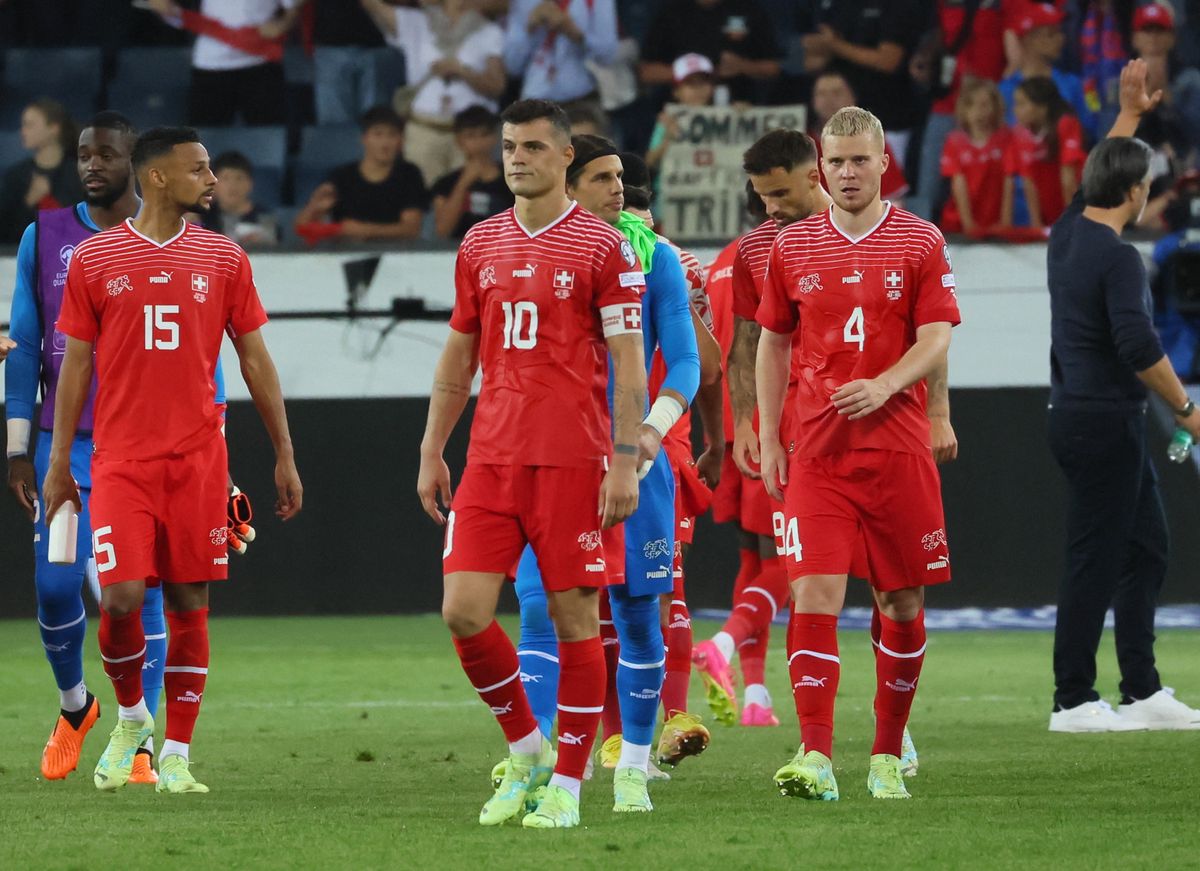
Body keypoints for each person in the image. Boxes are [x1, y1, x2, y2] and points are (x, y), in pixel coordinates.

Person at [41, 125, 303, 795]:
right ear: (158, 178)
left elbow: (254, 359)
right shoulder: (96, 259)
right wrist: (58, 460)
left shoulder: (224, 258)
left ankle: (178, 752)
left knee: (190, 602)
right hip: (121, 460)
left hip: (198, 460)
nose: (212, 180)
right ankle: (132, 716)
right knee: (124, 597)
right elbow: (75, 366)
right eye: (199, 169)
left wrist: (283, 452)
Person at [416, 99, 647, 829]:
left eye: (533, 147)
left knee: (577, 617)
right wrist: (432, 447)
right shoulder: (479, 244)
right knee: (463, 610)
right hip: (490, 458)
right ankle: (528, 747)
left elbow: (630, 367)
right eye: (510, 146)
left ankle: (569, 788)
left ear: (564, 157)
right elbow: (458, 355)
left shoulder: (605, 248)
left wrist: (625, 458)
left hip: (574, 462)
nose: (517, 157)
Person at [757, 105, 961, 801]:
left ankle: (883, 751)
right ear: (821, 166)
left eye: (858, 160)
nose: (846, 172)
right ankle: (814, 753)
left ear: (882, 164)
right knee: (812, 591)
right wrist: (767, 429)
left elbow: (936, 337)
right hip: (817, 450)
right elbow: (773, 340)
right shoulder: (792, 246)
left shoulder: (920, 241)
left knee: (900, 601)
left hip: (897, 449)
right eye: (835, 161)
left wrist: (892, 386)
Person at [508, 139, 700, 812]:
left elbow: (683, 363)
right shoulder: (527, 254)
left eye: (622, 177)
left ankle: (633, 767)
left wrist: (651, 429)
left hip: (635, 463)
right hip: (549, 462)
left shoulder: (658, 258)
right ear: (568, 180)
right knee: (540, 608)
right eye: (602, 177)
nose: (619, 188)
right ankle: (534, 762)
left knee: (638, 615)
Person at [1046, 59, 1200, 733]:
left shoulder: (1068, 235)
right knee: (1096, 559)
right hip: (1105, 421)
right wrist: (1190, 410)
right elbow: (1139, 349)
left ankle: (1141, 689)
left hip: (1089, 418)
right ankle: (1073, 699)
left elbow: (1098, 174)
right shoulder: (1117, 257)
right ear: (1137, 193)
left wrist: (1130, 116)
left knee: (1145, 548)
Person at [691, 129, 831, 728]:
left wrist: (730, 426)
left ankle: (755, 695)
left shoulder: (727, 259)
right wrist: (755, 421)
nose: (773, 206)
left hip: (739, 422)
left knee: (758, 559)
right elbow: (749, 344)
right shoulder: (760, 254)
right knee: (797, 564)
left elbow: (720, 350)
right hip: (784, 421)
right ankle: (722, 644)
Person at [362, 0, 506, 188]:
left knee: (467, 200)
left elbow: (497, 87)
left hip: (470, 136)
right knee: (419, 195)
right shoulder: (416, 23)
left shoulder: (489, 31)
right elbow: (373, 5)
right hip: (424, 131)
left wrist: (462, 71)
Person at [143, 0, 301, 126]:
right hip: (211, 64)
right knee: (204, 143)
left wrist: (283, 23)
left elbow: (294, 7)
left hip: (260, 61)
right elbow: (163, 6)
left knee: (268, 136)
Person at [295, 106, 427, 242]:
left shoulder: (409, 174)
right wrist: (314, 207)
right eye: (378, 134)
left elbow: (411, 229)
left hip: (398, 255)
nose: (385, 143)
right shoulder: (342, 176)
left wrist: (365, 230)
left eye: (392, 135)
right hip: (346, 254)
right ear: (364, 138)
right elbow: (302, 228)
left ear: (401, 141)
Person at [998, 3, 1097, 141]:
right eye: (1051, 34)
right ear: (1028, 40)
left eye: (1060, 32)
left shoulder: (1077, 83)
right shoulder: (1003, 90)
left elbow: (1094, 122)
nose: (1061, 38)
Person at [809, 70, 909, 205]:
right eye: (821, 94)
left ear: (853, 97)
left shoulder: (871, 140)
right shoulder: (804, 143)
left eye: (836, 93)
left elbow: (894, 200)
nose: (829, 100)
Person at [1005, 76, 1087, 228]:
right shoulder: (1020, 135)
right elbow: (1029, 183)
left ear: (1042, 107)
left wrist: (1073, 223)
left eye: (1021, 104)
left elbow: (1068, 179)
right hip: (1050, 216)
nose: (1015, 110)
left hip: (1077, 209)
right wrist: (1037, 225)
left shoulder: (1066, 124)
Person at [503, 0, 618, 107]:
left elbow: (607, 56)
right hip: (534, 98)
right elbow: (513, 66)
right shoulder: (524, 2)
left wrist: (573, 31)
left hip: (579, 97)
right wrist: (529, 29)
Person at [0, 99, 84, 244]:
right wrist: (29, 201)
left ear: (53, 128)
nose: (23, 131)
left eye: (29, 125)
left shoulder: (79, 175)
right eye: (23, 125)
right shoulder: (15, 176)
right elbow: (6, 234)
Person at [940, 79, 1013, 236]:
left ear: (995, 108)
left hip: (995, 221)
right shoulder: (954, 142)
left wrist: (1005, 222)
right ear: (963, 110)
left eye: (985, 105)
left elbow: (1009, 180)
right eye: (972, 105)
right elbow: (958, 183)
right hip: (959, 223)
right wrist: (968, 224)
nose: (979, 112)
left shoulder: (1006, 139)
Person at [429, 106, 513, 240]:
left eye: (484, 134)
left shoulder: (513, 178)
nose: (479, 142)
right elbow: (443, 230)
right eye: (471, 136)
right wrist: (463, 184)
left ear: (495, 137)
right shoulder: (445, 183)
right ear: (459, 140)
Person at [645, 53, 716, 176]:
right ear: (676, 91)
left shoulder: (724, 116)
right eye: (690, 84)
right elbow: (649, 162)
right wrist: (667, 139)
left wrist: (743, 115)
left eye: (703, 83)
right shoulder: (666, 119)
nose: (698, 90)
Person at [203, 151, 278, 247]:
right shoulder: (203, 217)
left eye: (239, 178)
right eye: (225, 178)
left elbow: (274, 254)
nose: (232, 186)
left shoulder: (265, 217)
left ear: (250, 184)